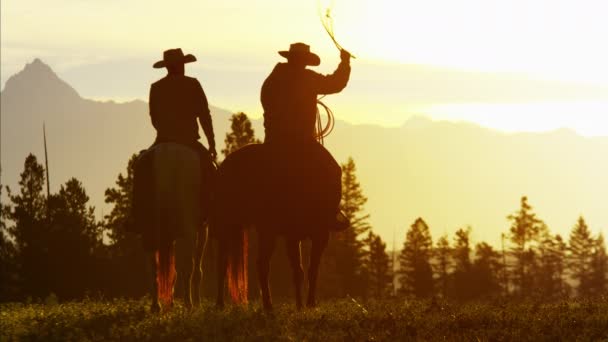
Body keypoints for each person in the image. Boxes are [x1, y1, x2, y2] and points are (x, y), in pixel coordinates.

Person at [261, 42, 351, 231]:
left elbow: (266, 102)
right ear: (303, 61)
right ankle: (331, 214)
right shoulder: (307, 78)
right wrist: (345, 63)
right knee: (334, 171)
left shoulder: (273, 78)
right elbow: (335, 83)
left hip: (273, 141)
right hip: (301, 142)